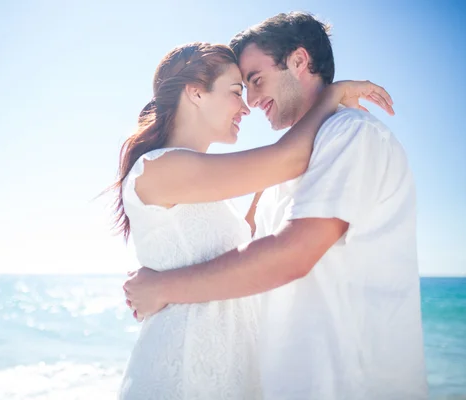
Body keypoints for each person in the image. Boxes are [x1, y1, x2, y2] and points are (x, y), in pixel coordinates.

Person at [123, 13, 428, 400]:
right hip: (210, 370)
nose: (249, 102)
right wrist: (332, 96)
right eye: (238, 89)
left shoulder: (351, 134)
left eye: (253, 81)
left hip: (348, 383)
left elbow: (287, 254)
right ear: (196, 92)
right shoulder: (276, 167)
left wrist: (162, 285)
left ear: (299, 61)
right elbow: (279, 171)